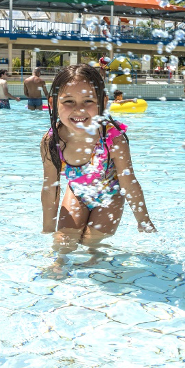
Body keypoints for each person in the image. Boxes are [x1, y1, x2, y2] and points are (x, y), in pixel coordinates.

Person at [41, 64, 156, 255]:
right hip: (78, 192)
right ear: (53, 104)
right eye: (69, 101)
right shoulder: (52, 142)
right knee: (62, 243)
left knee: (90, 243)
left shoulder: (112, 138)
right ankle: (59, 268)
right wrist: (47, 229)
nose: (79, 110)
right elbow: (50, 187)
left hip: (110, 196)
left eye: (88, 101)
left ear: (102, 102)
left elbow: (128, 182)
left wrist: (143, 221)